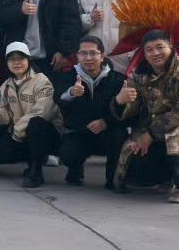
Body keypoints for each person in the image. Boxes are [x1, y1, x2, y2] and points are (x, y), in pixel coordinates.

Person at [114, 29, 179, 203]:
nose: (155, 53)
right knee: (134, 167)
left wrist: (152, 133)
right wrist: (120, 101)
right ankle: (167, 177)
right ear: (144, 54)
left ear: (171, 47)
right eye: (149, 50)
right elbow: (131, 110)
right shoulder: (139, 75)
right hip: (153, 128)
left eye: (160, 47)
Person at [0, 42, 63, 188]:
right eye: (12, 59)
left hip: (46, 133)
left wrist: (17, 130)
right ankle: (36, 156)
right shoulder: (6, 85)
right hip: (21, 133)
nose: (17, 63)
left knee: (35, 123)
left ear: (29, 60)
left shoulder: (41, 81)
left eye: (21, 58)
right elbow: (5, 118)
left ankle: (35, 171)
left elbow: (43, 111)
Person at [54, 35, 127, 189]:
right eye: (83, 53)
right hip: (80, 132)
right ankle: (75, 170)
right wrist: (71, 93)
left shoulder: (118, 80)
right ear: (77, 56)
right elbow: (58, 100)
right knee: (68, 153)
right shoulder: (68, 77)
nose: (88, 58)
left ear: (102, 56)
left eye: (93, 53)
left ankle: (113, 178)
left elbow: (126, 113)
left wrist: (106, 122)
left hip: (107, 132)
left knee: (119, 134)